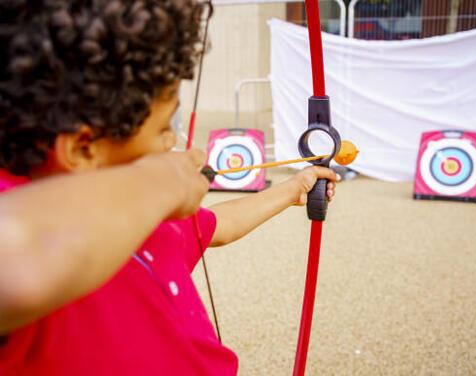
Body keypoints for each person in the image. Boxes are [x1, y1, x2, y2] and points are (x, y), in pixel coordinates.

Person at [0, 1, 337, 375]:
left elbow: (216, 227)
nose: (170, 143)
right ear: (82, 147)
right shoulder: (30, 217)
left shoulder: (136, 206)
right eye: (162, 128)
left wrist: (293, 189)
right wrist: (162, 182)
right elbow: (17, 259)